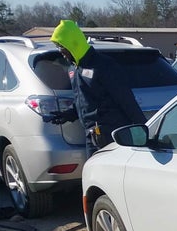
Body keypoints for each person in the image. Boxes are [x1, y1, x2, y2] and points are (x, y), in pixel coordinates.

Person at [48, 20, 146, 155]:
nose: (61, 52)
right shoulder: (74, 68)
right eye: (58, 47)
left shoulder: (103, 65)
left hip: (113, 135)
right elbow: (83, 100)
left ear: (72, 43)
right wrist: (69, 114)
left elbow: (126, 99)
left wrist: (144, 129)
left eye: (62, 46)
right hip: (93, 136)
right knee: (93, 174)